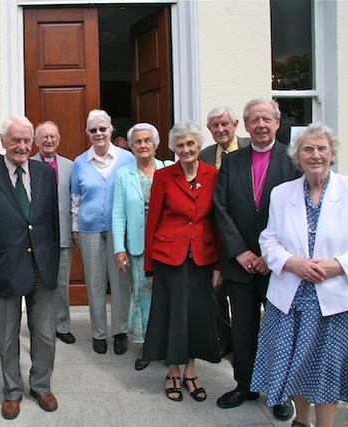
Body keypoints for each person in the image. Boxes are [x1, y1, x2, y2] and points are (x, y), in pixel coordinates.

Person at [251, 123, 348, 427]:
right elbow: (268, 240)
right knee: (294, 363)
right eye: (307, 149)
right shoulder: (281, 193)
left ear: (333, 153)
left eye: (322, 148)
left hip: (339, 299)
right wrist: (292, 262)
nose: (315, 155)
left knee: (328, 367)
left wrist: (335, 266)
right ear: (297, 156)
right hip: (292, 296)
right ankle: (302, 420)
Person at [213, 99, 300, 420]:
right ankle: (245, 385)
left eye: (267, 119)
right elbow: (220, 209)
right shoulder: (233, 161)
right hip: (240, 263)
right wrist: (241, 251)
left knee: (281, 330)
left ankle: (280, 392)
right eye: (254, 120)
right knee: (244, 329)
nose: (260, 125)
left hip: (279, 266)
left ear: (277, 123)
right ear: (245, 126)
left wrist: (268, 255)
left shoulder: (293, 160)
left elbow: (297, 214)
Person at [0, 115, 60, 420]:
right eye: (15, 140)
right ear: (3, 142)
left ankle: (41, 385)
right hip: (5, 268)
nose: (21, 146)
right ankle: (11, 391)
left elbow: (52, 222)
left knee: (46, 333)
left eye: (26, 140)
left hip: (42, 267)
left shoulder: (45, 173)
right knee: (7, 335)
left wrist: (55, 264)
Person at [143, 121, 222, 403]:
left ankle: (190, 371)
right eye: (180, 145)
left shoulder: (214, 175)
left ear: (198, 146)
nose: (186, 149)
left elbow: (218, 221)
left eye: (190, 144)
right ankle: (172, 371)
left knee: (197, 316)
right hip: (169, 257)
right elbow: (152, 221)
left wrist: (218, 265)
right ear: (173, 148)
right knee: (172, 314)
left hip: (203, 255)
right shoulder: (164, 177)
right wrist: (149, 265)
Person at [71, 109, 136, 355]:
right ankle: (99, 333)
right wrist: (75, 229)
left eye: (102, 129)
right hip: (89, 230)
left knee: (120, 281)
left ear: (111, 130)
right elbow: (75, 198)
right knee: (95, 282)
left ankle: (120, 331)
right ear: (87, 133)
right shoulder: (80, 162)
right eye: (93, 130)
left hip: (120, 230)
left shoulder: (126, 159)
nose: (98, 133)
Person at [112, 122, 171, 371]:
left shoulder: (168, 170)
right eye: (138, 141)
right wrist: (119, 248)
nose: (143, 145)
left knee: (167, 293)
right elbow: (118, 213)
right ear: (132, 147)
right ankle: (147, 344)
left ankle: (169, 343)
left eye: (148, 140)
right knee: (143, 294)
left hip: (168, 244)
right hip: (138, 245)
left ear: (156, 145)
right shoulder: (123, 174)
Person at [201, 106, 251, 358]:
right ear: (209, 130)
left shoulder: (251, 150)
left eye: (224, 124)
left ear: (236, 124)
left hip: (246, 236)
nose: (220, 129)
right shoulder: (204, 155)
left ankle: (249, 344)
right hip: (213, 234)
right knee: (214, 290)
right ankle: (224, 337)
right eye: (214, 126)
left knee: (245, 296)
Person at [32, 121, 76, 344]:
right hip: (35, 237)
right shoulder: (27, 164)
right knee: (36, 284)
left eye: (52, 137)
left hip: (63, 235)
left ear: (59, 140)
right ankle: (38, 326)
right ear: (36, 140)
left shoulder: (70, 166)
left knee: (61, 285)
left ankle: (62, 325)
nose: (48, 141)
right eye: (43, 137)